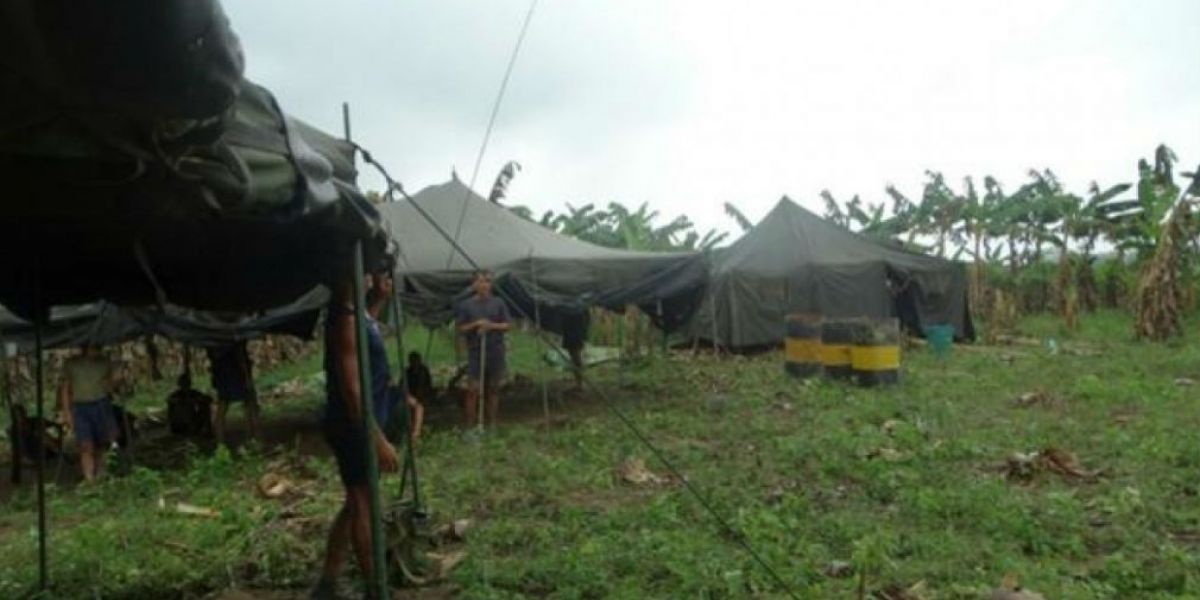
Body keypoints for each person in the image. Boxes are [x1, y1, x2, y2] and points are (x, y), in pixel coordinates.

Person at [312, 271, 400, 600]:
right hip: (353, 426)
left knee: (354, 503)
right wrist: (377, 438)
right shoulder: (344, 320)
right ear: (348, 278)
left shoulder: (356, 313)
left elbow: (369, 330)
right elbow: (352, 391)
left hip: (358, 423)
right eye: (364, 274)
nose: (371, 278)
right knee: (364, 503)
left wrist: (380, 300)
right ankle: (375, 589)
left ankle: (328, 580)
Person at [455, 271, 511, 428]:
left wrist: (490, 325)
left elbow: (507, 325)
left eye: (487, 281)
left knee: (493, 388)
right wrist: (476, 324)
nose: (484, 284)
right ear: (474, 285)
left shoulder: (499, 303)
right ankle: (470, 426)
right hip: (475, 352)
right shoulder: (466, 305)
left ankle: (491, 424)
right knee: (473, 390)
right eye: (480, 281)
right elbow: (460, 328)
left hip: (495, 351)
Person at [58, 343, 116, 482]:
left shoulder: (104, 362)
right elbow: (65, 389)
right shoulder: (71, 364)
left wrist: (116, 381)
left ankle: (101, 473)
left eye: (98, 347)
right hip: (81, 407)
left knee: (103, 442)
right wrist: (67, 412)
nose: (97, 350)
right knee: (85, 445)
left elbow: (109, 386)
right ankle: (89, 479)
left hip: (101, 404)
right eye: (94, 347)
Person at [206, 341, 260, 445]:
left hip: (221, 374)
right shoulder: (234, 336)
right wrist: (247, 377)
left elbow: (212, 356)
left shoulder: (213, 337)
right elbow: (241, 358)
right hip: (235, 373)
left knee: (222, 407)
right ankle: (253, 439)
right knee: (250, 405)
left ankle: (220, 443)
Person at [166, 372, 214, 438]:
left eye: (186, 383)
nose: (185, 386)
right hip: (179, 425)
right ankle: (192, 429)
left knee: (204, 405)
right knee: (181, 407)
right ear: (180, 384)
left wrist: (200, 399)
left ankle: (206, 430)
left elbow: (209, 399)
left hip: (192, 423)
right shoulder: (175, 395)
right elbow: (171, 406)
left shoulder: (193, 393)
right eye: (183, 384)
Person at [561, 309, 590, 391]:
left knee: (576, 357)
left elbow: (587, 317)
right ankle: (578, 381)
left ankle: (580, 382)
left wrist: (583, 331)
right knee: (573, 356)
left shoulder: (579, 306)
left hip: (576, 332)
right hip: (570, 331)